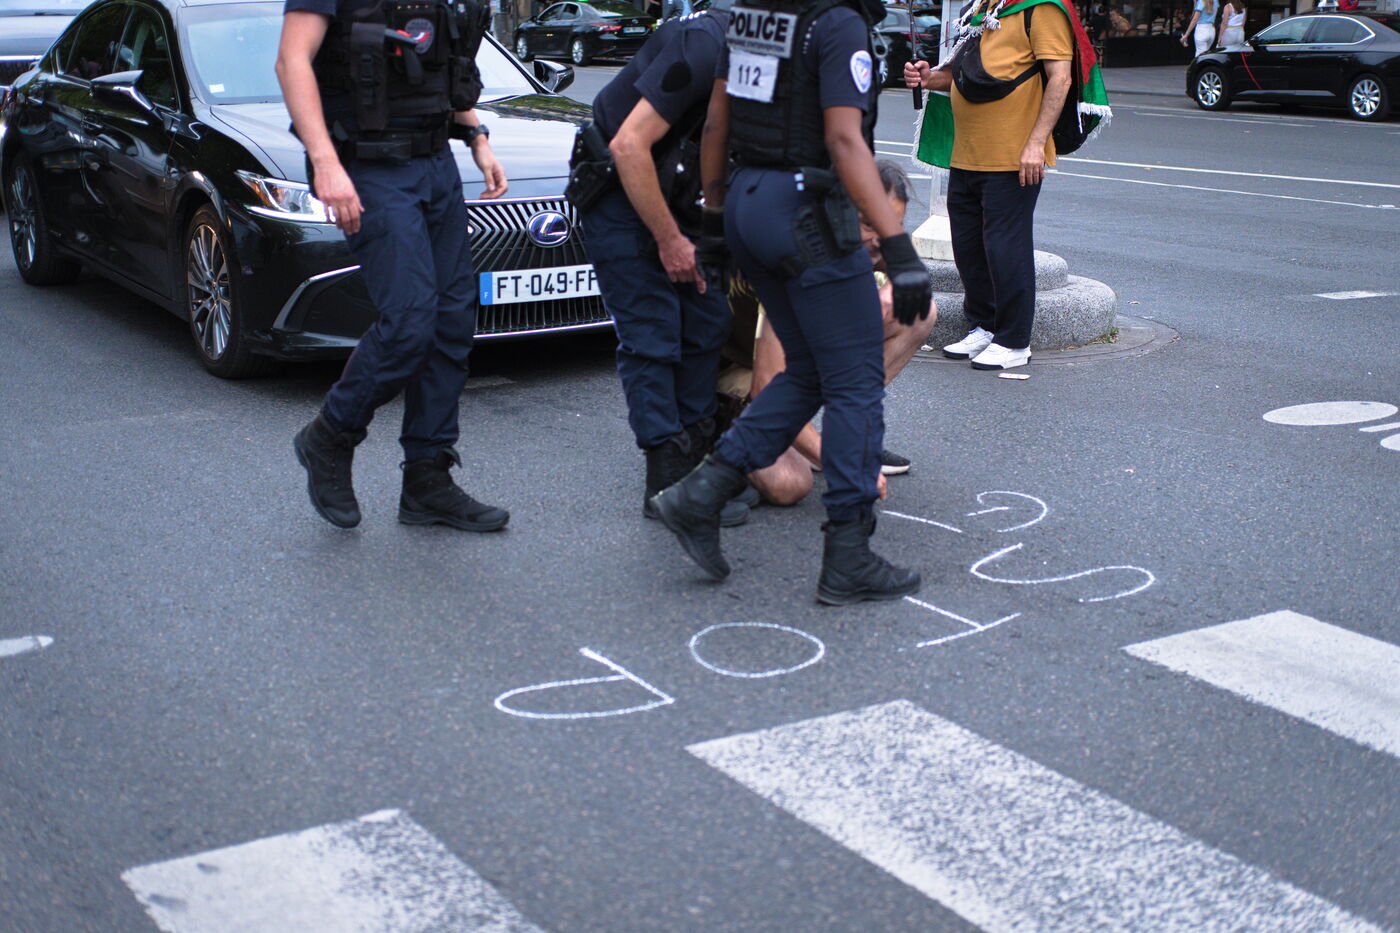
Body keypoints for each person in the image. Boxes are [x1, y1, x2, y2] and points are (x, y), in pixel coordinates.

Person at [652, 0, 934, 605]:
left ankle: (699, 495)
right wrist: (898, 247)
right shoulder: (838, 22)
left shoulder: (752, 14)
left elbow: (717, 123)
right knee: (855, 379)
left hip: (748, 200)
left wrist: (716, 221)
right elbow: (844, 139)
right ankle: (849, 554)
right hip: (808, 210)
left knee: (807, 370)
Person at [278, 0, 511, 531]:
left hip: (435, 162)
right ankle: (330, 436)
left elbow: (437, 61)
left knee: (451, 323)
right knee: (409, 322)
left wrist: (476, 136)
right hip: (370, 166)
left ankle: (427, 480)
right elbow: (292, 61)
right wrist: (326, 164)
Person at [572, 4, 751, 525]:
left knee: (706, 321)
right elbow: (629, 146)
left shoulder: (774, 48)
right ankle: (666, 478)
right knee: (653, 333)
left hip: (684, 190)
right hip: (620, 188)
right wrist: (669, 240)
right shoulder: (706, 42)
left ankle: (694, 459)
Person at [741, 160, 937, 507]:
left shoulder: (870, 243)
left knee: (917, 310)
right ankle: (725, 431)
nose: (880, 239)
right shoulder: (797, 255)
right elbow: (765, 385)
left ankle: (842, 433)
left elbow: (895, 257)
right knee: (788, 485)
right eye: (868, 223)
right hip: (743, 382)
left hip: (793, 373)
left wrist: (900, 279)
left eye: (890, 226)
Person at [905, 0, 1074, 371]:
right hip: (965, 154)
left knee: (1005, 248)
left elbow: (1060, 78)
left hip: (1013, 157)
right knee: (968, 247)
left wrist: (1035, 143)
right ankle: (984, 325)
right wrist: (928, 78)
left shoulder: (1040, 9)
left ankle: (1013, 341)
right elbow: (964, 76)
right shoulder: (982, 10)